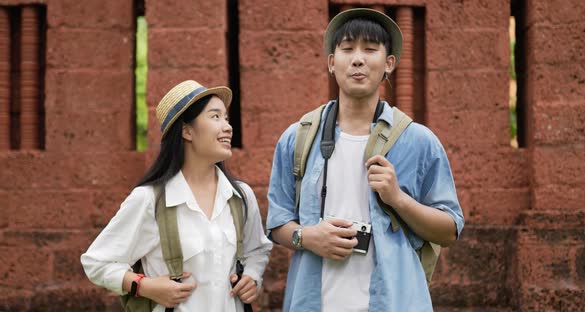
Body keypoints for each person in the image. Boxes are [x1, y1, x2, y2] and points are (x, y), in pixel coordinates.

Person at [266, 8, 464, 311]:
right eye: (347, 49)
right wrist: (307, 237)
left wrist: (398, 198)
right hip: (313, 302)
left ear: (389, 64)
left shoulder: (418, 141)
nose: (358, 59)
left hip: (394, 302)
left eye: (370, 50)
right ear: (332, 63)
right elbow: (277, 221)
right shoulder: (297, 138)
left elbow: (449, 230)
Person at [81, 80, 273, 312]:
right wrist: (145, 286)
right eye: (215, 117)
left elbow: (257, 250)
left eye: (226, 118)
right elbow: (96, 262)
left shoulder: (240, 196)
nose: (227, 127)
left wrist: (252, 277)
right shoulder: (149, 200)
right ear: (186, 131)